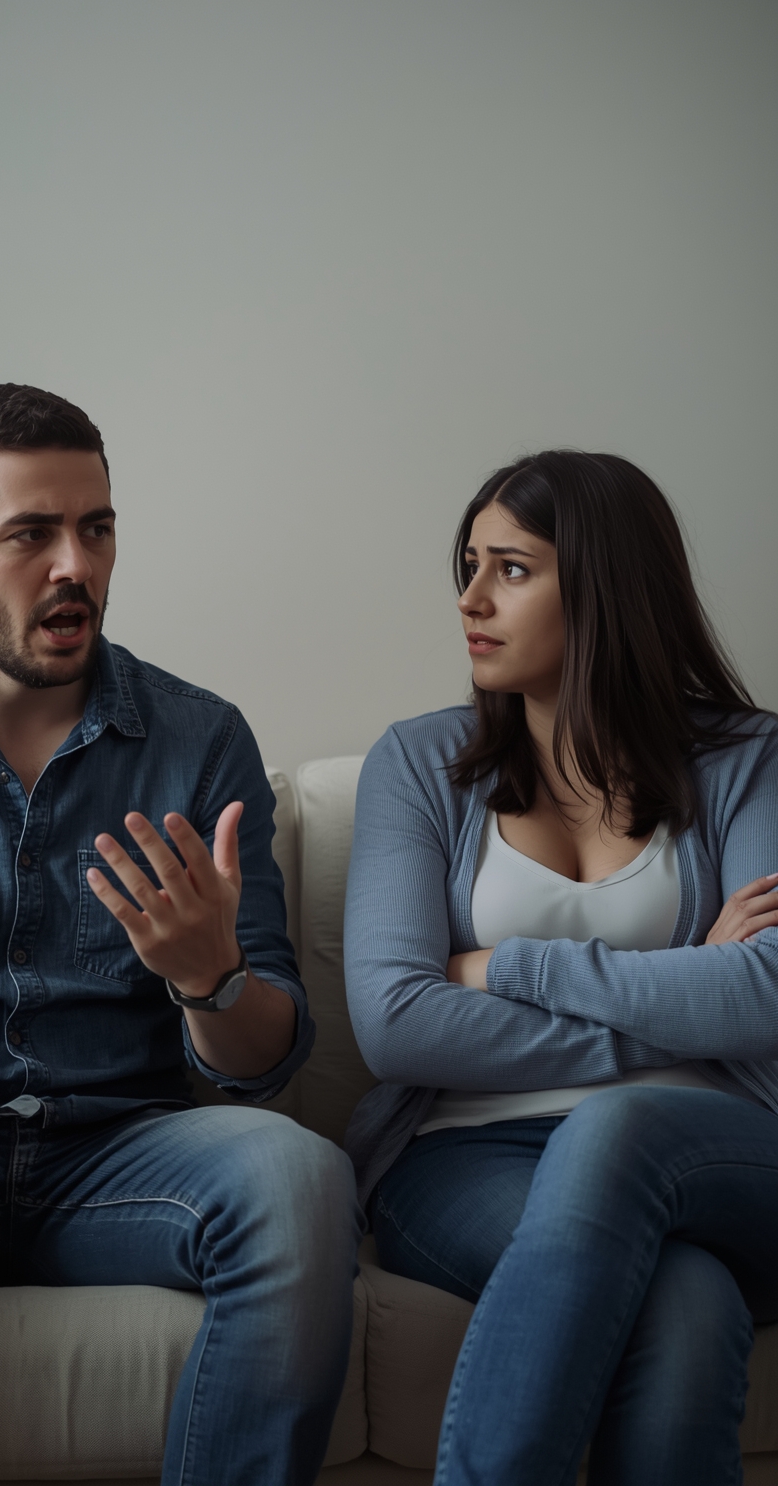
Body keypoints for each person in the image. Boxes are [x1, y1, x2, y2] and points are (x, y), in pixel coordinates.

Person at [0, 383, 360, 1486]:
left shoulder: (200, 742)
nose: (75, 566)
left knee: (300, 1179)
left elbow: (265, 1061)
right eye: (31, 534)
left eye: (96, 529)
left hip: (118, 1157)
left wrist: (209, 980)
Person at [343, 450, 778, 1486]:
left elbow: (765, 995)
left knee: (618, 1128)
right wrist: (683, 988)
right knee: (684, 1307)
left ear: (605, 586)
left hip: (707, 1146)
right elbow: (397, 1023)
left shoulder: (748, 759)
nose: (470, 598)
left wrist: (510, 967)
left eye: (511, 569)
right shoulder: (416, 763)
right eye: (469, 565)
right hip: (466, 1156)